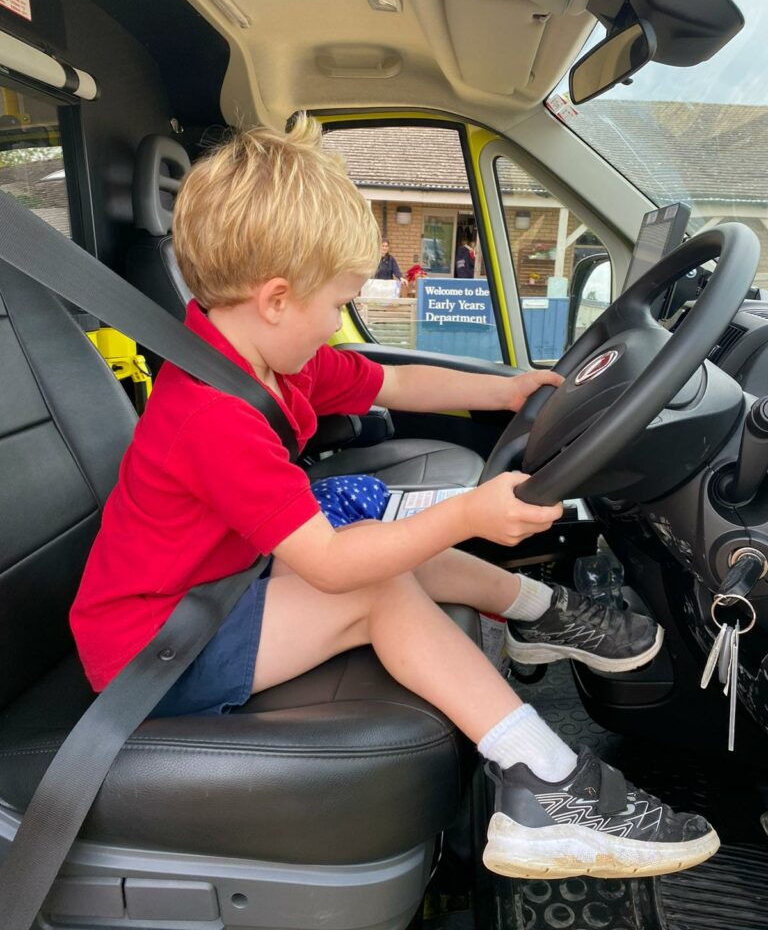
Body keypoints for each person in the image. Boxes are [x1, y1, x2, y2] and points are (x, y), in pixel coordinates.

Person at [70, 116, 718, 880]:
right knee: (377, 585)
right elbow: (338, 569)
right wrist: (470, 514)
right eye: (336, 304)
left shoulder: (272, 362)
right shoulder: (210, 415)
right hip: (152, 647)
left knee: (385, 531)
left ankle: (540, 616)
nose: (335, 328)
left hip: (213, 585)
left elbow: (397, 380)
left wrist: (509, 388)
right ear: (277, 299)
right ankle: (546, 789)